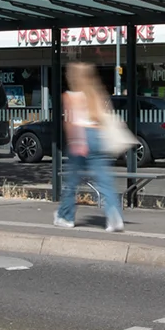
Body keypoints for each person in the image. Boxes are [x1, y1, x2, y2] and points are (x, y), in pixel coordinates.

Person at [54, 63, 124, 233]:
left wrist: (75, 142)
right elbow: (102, 118)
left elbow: (70, 123)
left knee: (72, 181)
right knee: (104, 181)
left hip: (81, 137)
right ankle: (114, 216)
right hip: (97, 136)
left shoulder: (70, 96)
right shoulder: (95, 93)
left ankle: (65, 216)